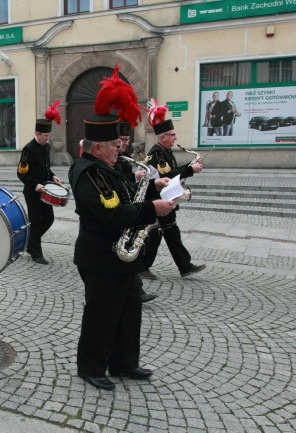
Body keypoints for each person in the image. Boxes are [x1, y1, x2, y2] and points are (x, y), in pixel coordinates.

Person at [69, 111, 175, 391]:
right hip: (101, 257)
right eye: (115, 145)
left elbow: (128, 191)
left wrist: (154, 185)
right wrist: (153, 209)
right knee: (101, 315)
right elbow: (113, 213)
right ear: (98, 147)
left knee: (129, 311)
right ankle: (90, 367)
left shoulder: (107, 166)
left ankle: (124, 363)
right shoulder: (88, 173)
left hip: (121, 257)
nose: (121, 149)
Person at [142, 105, 206, 279]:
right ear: (163, 137)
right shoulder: (156, 153)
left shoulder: (166, 151)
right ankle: (143, 267)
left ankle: (184, 266)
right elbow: (167, 176)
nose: (176, 137)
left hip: (165, 199)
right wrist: (190, 169)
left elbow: (172, 171)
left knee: (170, 233)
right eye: (172, 134)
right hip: (157, 200)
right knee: (156, 235)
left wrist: (188, 169)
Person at [113, 122, 157, 303]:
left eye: (126, 140)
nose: (124, 143)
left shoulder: (123, 157)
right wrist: (135, 179)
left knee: (126, 258)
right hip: (120, 213)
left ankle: (135, 290)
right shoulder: (115, 159)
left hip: (128, 210)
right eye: (120, 140)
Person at [17, 101, 62, 265]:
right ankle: (36, 252)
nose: (47, 138)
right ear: (37, 133)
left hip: (45, 190)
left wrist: (53, 175)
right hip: (31, 191)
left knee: (48, 219)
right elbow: (20, 173)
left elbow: (45, 168)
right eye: (45, 136)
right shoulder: (28, 149)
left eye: (48, 136)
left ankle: (30, 243)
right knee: (35, 222)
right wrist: (34, 185)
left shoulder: (46, 147)